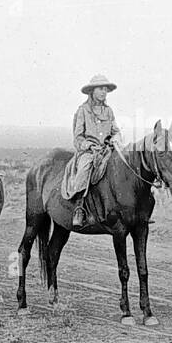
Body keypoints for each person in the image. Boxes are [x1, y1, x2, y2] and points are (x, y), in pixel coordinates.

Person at [67, 74, 121, 228]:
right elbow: (77, 137)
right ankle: (79, 208)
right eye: (100, 89)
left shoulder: (109, 111)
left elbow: (115, 130)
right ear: (92, 91)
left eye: (105, 89)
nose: (103, 92)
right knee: (84, 169)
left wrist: (115, 138)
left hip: (107, 150)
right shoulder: (83, 110)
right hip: (89, 152)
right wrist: (88, 146)